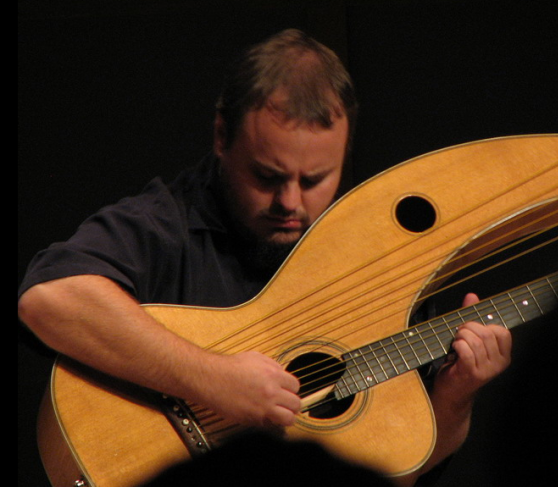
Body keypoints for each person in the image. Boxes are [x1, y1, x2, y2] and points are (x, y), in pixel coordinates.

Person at [18, 29, 511, 486]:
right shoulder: (165, 222)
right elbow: (49, 298)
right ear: (221, 137)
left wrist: (453, 401)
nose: (291, 203)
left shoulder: (375, 259)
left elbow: (399, 473)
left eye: (315, 179)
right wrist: (214, 380)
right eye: (268, 176)